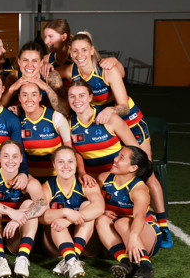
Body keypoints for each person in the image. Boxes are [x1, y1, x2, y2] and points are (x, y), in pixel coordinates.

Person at [60, 32, 171, 246]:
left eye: (84, 49)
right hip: (102, 122)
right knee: (111, 172)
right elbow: (53, 72)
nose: (79, 54)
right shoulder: (71, 70)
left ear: (92, 50)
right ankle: (112, 217)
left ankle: (163, 226)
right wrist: (46, 65)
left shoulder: (106, 69)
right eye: (75, 51)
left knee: (145, 172)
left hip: (127, 120)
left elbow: (123, 104)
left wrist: (110, 109)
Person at [0, 140, 47, 278]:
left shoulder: (30, 181)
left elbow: (43, 203)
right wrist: (10, 212)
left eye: (15, 156)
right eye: (6, 156)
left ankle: (22, 257)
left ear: (21, 159)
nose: (10, 160)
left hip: (15, 237)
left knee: (29, 203)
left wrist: (16, 221)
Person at [95, 146, 162, 278]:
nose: (115, 159)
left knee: (122, 222)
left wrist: (133, 236)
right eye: (118, 155)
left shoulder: (139, 189)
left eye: (121, 157)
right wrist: (102, 209)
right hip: (122, 236)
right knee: (101, 219)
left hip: (143, 235)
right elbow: (94, 203)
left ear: (133, 168)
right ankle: (126, 263)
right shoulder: (103, 178)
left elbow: (139, 217)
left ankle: (146, 267)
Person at [39, 146, 105, 278]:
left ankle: (71, 258)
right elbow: (40, 217)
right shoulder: (47, 186)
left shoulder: (86, 183)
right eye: (61, 162)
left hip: (87, 246)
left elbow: (99, 207)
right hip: (54, 246)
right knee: (56, 218)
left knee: (87, 206)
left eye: (70, 161)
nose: (66, 166)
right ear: (54, 164)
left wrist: (68, 220)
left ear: (76, 164)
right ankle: (72, 259)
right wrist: (65, 212)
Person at [18, 82, 74, 181]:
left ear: (40, 97)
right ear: (19, 98)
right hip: (30, 178)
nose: (29, 99)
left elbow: (68, 151)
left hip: (56, 177)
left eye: (34, 94)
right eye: (25, 95)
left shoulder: (56, 118)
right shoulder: (17, 120)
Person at [2, 41, 68, 116]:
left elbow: (65, 110)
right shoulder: (14, 76)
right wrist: (12, 89)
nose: (29, 65)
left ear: (41, 63)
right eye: (25, 60)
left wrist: (46, 88)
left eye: (34, 61)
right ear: (19, 62)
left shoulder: (50, 76)